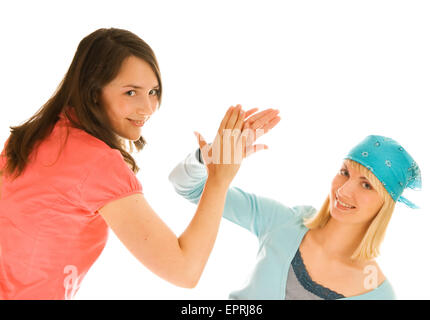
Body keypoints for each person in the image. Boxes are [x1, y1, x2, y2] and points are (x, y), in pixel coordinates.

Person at [0, 27, 280, 299]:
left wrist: (202, 159)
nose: (147, 108)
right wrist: (220, 177)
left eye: (153, 92)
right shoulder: (97, 164)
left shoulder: (36, 135)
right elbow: (184, 270)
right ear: (94, 91)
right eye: (131, 92)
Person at [169, 134, 422, 299]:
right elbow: (188, 187)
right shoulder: (283, 223)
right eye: (344, 172)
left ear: (385, 204)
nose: (344, 190)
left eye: (366, 185)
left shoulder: (378, 293)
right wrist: (210, 156)